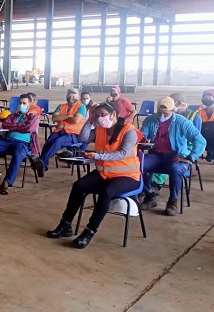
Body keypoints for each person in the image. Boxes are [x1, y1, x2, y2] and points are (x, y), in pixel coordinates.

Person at [46, 102, 142, 249]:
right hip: (105, 173)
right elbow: (83, 139)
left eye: (103, 115)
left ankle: (89, 231)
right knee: (78, 186)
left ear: (113, 114)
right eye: (97, 115)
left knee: (107, 191)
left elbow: (122, 154)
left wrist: (97, 155)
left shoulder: (129, 130)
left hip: (127, 176)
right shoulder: (100, 129)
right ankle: (65, 224)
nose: (100, 118)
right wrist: (90, 120)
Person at [139, 97, 206, 216]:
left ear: (173, 111)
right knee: (138, 163)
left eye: (165, 113)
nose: (162, 115)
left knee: (175, 168)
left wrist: (190, 157)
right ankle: (149, 195)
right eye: (160, 113)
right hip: (158, 155)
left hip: (176, 156)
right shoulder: (150, 120)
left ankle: (172, 201)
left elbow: (200, 140)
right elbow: (141, 135)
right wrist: (143, 140)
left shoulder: (182, 122)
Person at [0, 94, 40, 195]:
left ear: (30, 104)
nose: (21, 105)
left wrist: (14, 126)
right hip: (7, 141)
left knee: (18, 155)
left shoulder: (33, 117)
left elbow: (29, 128)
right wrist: (21, 126)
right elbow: (5, 125)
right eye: (20, 103)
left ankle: (7, 182)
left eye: (24, 103)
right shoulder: (12, 116)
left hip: (23, 143)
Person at [34, 88, 86, 176]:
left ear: (78, 96)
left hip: (74, 133)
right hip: (59, 130)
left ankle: (41, 160)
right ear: (67, 95)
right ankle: (43, 166)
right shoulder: (61, 106)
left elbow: (76, 120)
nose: (71, 96)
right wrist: (69, 115)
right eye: (69, 94)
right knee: (49, 142)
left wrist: (62, 118)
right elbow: (54, 118)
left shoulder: (81, 107)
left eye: (74, 94)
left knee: (58, 141)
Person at [198, 89, 214, 162]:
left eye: (210, 97)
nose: (207, 99)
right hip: (201, 133)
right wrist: (197, 110)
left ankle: (213, 154)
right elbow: (192, 120)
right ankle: (210, 152)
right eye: (206, 97)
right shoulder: (199, 109)